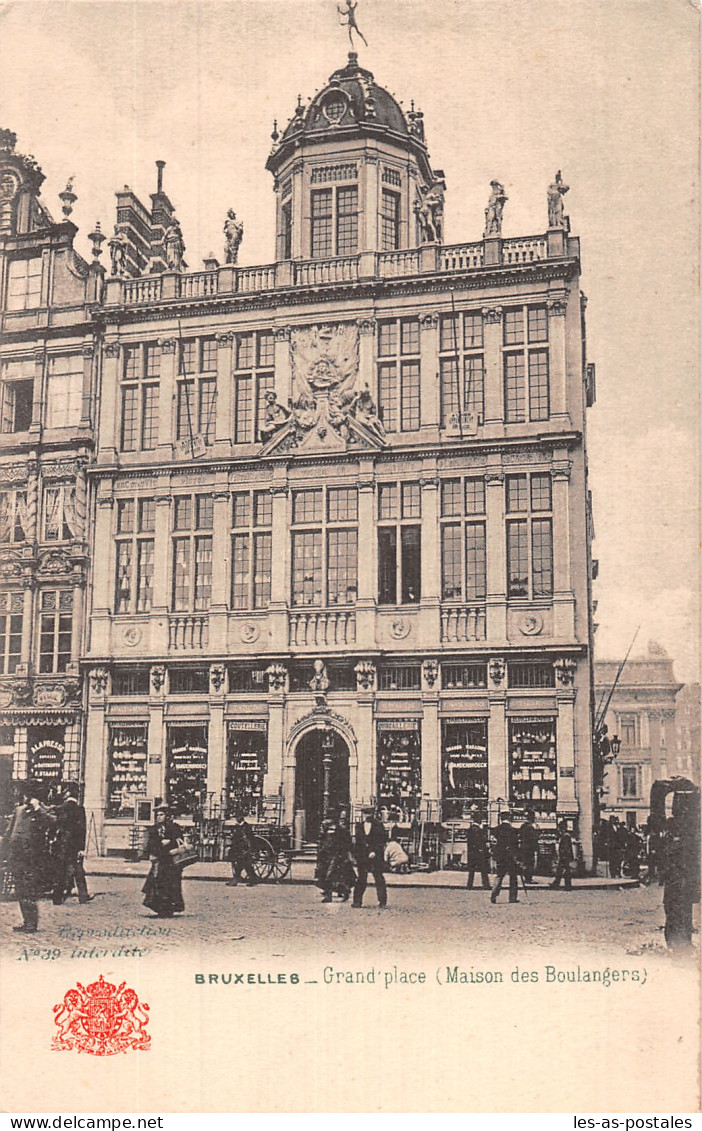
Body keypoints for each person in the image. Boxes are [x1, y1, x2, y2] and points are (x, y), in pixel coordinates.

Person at [1, 781, 54, 932]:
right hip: (16, 856)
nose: (25, 799)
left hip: (32, 858)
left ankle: (32, 923)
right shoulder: (18, 810)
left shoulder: (43, 811)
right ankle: (26, 921)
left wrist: (38, 808)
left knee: (29, 889)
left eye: (28, 796)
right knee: (20, 890)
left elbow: (53, 823)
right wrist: (4, 851)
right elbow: (9, 833)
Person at [52, 782, 93, 906]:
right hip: (74, 845)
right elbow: (82, 830)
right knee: (78, 870)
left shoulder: (60, 808)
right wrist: (81, 848)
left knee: (61, 869)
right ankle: (83, 895)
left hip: (61, 844)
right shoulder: (79, 809)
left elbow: (55, 824)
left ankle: (57, 897)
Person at [142, 804, 185, 918]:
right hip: (160, 860)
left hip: (171, 861)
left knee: (171, 884)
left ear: (167, 816)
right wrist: (159, 845)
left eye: (161, 815)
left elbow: (180, 841)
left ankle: (169, 908)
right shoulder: (154, 829)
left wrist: (170, 843)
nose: (159, 817)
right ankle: (159, 907)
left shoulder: (174, 827)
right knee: (158, 883)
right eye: (157, 815)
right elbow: (150, 844)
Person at [352, 805, 387, 909]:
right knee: (361, 879)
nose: (366, 816)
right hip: (362, 856)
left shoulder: (378, 825)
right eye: (365, 814)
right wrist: (357, 856)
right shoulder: (358, 826)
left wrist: (375, 851)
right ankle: (357, 901)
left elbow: (382, 841)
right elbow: (357, 842)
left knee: (378, 878)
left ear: (372, 814)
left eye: (368, 813)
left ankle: (382, 901)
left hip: (375, 856)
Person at [490, 813, 519, 904]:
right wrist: (517, 857)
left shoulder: (496, 830)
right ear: (509, 818)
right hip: (510, 857)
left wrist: (495, 855)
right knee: (513, 877)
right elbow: (515, 846)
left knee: (499, 876)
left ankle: (494, 894)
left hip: (501, 857)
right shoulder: (513, 830)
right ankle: (512, 898)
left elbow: (493, 844)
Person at [227, 810, 258, 887]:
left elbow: (249, 838)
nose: (236, 819)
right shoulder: (239, 826)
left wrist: (249, 849)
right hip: (240, 849)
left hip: (244, 849)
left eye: (237, 817)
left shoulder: (245, 827)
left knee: (243, 865)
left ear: (241, 818)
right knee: (244, 865)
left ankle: (237, 880)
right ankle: (251, 879)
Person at [465, 815, 490, 890]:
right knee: (484, 870)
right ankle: (486, 885)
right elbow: (480, 841)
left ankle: (469, 885)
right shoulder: (478, 830)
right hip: (479, 853)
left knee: (471, 870)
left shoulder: (470, 829)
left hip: (471, 853)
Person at [550, 821, 574, 890]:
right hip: (566, 856)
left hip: (565, 856)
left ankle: (565, 885)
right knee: (561, 871)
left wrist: (563, 856)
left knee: (563, 871)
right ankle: (560, 884)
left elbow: (566, 848)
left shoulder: (565, 836)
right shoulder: (566, 836)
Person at [519, 810, 540, 885]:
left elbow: (520, 836)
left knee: (526, 863)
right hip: (530, 847)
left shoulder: (523, 825)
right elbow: (534, 838)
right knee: (530, 863)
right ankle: (529, 878)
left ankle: (526, 877)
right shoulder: (531, 827)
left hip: (524, 847)